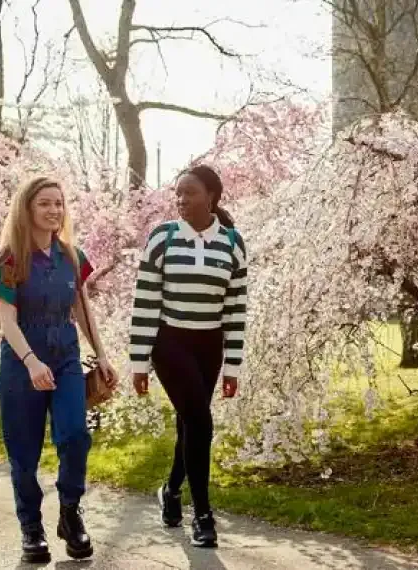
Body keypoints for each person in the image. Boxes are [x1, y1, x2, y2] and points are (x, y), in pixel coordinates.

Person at [0, 176, 118, 563]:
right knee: (24, 456)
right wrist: (31, 362)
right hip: (21, 365)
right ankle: (31, 529)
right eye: (45, 203)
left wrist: (103, 354)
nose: (53, 211)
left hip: (65, 360)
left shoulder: (72, 256)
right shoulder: (10, 259)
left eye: (59, 203)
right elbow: (6, 321)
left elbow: (81, 308)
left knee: (76, 434)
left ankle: (70, 512)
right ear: (27, 209)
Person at [128, 164, 247, 548]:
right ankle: (204, 515)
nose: (181, 199)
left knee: (190, 424)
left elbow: (235, 310)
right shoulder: (162, 238)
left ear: (211, 196)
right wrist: (139, 360)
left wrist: (232, 365)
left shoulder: (232, 243)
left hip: (209, 345)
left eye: (189, 192)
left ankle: (171, 490)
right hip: (170, 342)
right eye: (177, 192)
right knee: (200, 420)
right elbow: (145, 301)